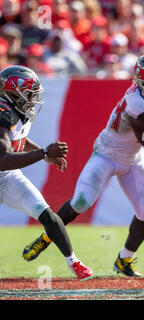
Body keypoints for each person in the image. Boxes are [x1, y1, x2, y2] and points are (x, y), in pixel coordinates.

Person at [22, 54, 144, 277]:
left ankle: (124, 259)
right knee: (81, 203)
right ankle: (45, 238)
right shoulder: (135, 102)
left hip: (133, 160)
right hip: (107, 154)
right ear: (141, 83)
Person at [0, 65, 93, 280]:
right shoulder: (3, 114)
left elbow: (19, 139)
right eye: (30, 93)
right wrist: (43, 153)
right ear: (15, 91)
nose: (33, 99)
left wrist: (44, 154)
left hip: (7, 178)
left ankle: (73, 262)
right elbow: (3, 160)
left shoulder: (16, 111)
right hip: (5, 169)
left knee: (47, 215)